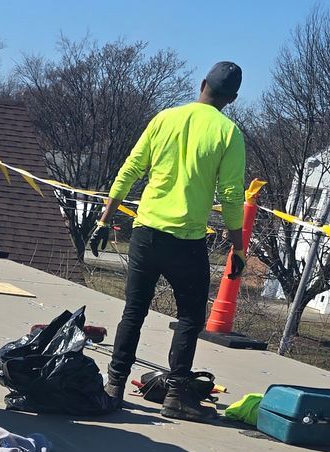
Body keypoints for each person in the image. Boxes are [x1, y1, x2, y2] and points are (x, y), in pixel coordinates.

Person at [97, 62, 247, 420]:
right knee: (190, 318)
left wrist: (104, 218)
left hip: (146, 232)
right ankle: (176, 396)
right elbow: (230, 194)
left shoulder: (164, 118)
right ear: (233, 99)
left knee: (134, 311)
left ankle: (114, 386)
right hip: (186, 239)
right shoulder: (229, 133)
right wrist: (238, 246)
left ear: (202, 84)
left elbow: (131, 168)